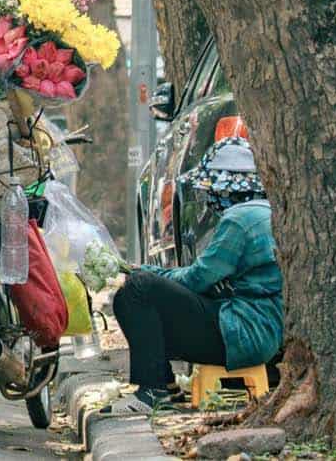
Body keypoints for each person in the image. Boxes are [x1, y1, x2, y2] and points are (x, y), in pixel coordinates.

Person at [112, 137, 283, 408]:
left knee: (138, 288)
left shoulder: (240, 220)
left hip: (242, 333)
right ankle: (165, 386)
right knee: (131, 294)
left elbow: (197, 278)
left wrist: (147, 271)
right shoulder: (270, 212)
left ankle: (153, 391)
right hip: (265, 335)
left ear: (225, 189)